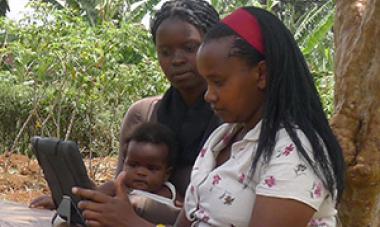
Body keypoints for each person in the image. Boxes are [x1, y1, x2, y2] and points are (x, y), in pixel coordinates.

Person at [73, 6, 345, 227]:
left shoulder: (294, 150)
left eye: (218, 82)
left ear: (261, 74)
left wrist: (131, 223)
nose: (208, 95)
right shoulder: (222, 138)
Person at [30, 0, 221, 217]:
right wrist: (80, 199)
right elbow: (124, 188)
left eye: (189, 48)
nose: (176, 60)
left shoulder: (234, 120)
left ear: (213, 46)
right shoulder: (144, 115)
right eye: (165, 51)